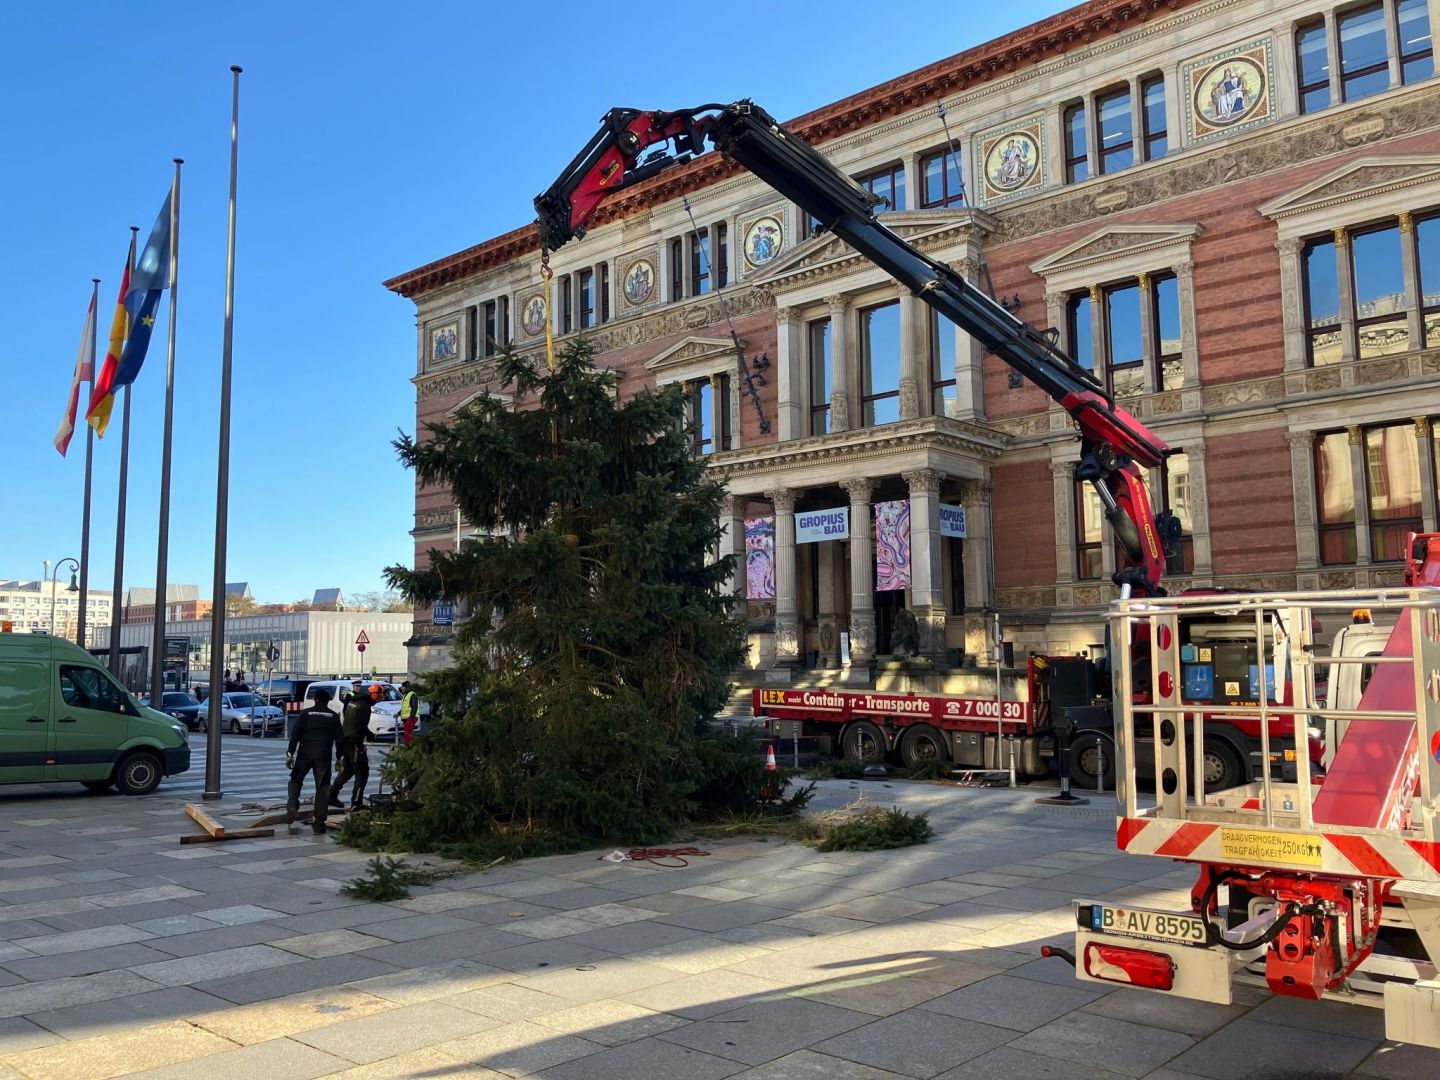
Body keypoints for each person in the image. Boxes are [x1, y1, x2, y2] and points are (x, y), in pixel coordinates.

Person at [286, 688, 341, 834]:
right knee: (322, 788)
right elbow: (340, 740)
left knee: (295, 780)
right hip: (323, 756)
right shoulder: (333, 716)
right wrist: (340, 758)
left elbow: (295, 734)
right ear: (327, 701)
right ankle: (319, 824)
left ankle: (292, 806)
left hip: (304, 755)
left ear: (315, 699)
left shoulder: (305, 714)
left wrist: (290, 753)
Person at [331, 683, 374, 810]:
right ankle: (356, 802)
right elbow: (361, 725)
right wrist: (369, 734)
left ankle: (331, 795)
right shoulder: (364, 706)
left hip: (347, 740)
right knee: (362, 772)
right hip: (355, 743)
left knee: (348, 770)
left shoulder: (354, 701)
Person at [399, 680, 419, 745]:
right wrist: (398, 713)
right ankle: (408, 746)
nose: (401, 688)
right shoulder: (406, 695)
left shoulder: (412, 695)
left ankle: (409, 747)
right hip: (407, 717)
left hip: (411, 717)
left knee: (408, 733)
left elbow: (414, 708)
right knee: (407, 732)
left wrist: (410, 718)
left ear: (406, 687)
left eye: (402, 687)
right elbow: (405, 707)